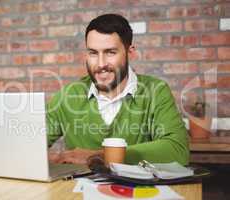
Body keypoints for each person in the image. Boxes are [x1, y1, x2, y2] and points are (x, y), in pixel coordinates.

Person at [47, 14, 189, 166]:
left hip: (138, 189)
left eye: (110, 52)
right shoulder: (68, 95)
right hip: (75, 189)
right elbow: (29, 144)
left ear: (130, 52)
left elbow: (177, 150)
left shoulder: (156, 91)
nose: (101, 64)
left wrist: (97, 157)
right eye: (93, 53)